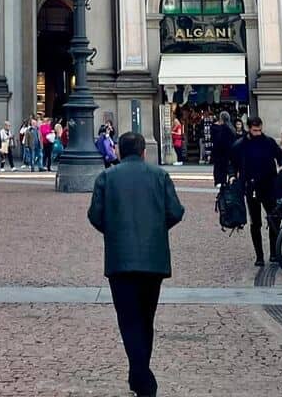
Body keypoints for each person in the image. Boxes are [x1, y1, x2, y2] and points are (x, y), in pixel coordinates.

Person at [87, 132, 184, 397]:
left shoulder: (107, 177)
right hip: (154, 260)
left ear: (119, 151)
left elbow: (95, 215)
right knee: (145, 319)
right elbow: (176, 212)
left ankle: (142, 380)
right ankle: (139, 377)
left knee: (129, 321)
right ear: (143, 151)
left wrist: (114, 230)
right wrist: (156, 228)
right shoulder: (159, 175)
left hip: (120, 260)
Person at [232, 116, 282, 266]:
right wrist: (232, 176)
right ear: (249, 129)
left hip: (269, 185)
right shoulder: (240, 145)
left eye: (260, 130)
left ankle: (274, 253)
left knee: (274, 219)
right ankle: (259, 256)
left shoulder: (268, 142)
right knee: (255, 223)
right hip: (251, 188)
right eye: (255, 130)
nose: (258, 133)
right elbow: (232, 163)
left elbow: (281, 156)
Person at [210, 111, 235, 187]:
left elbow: (216, 139)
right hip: (228, 151)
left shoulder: (220, 128)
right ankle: (223, 181)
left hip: (219, 151)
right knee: (225, 166)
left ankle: (219, 181)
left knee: (218, 167)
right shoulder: (231, 128)